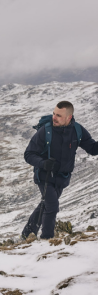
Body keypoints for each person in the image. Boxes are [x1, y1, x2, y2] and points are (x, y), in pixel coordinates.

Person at [22, 101, 98, 240]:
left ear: (69, 117)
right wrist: (43, 163)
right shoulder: (45, 131)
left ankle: (27, 233)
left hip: (62, 178)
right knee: (52, 206)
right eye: (54, 113)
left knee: (45, 205)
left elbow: (93, 149)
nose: (54, 117)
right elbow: (28, 154)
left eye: (58, 115)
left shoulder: (77, 130)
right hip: (44, 176)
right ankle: (47, 239)